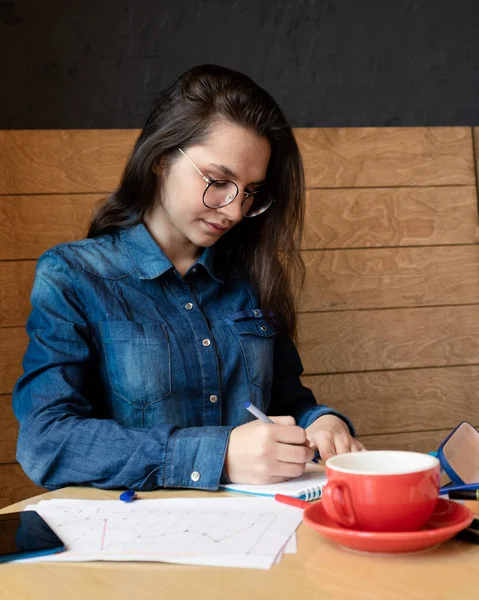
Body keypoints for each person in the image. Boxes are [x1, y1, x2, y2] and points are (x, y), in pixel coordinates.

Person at [13, 64, 364, 492]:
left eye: (251, 192)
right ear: (161, 159)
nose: (235, 211)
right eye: (218, 181)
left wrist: (319, 421)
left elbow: (282, 402)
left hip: (261, 528)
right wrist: (220, 455)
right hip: (135, 539)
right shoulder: (74, 276)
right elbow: (46, 442)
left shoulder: (250, 278)